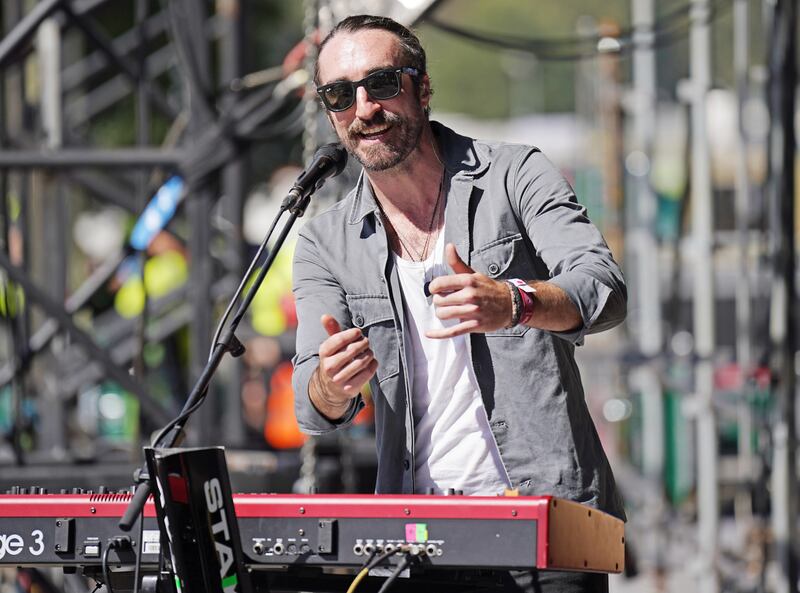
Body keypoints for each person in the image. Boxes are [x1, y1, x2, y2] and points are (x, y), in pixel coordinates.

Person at [292, 14, 627, 593]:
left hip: (544, 524)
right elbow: (310, 400)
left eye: (382, 84)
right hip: (412, 538)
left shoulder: (516, 173)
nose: (364, 108)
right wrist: (331, 383)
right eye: (340, 95)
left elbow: (603, 285)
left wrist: (516, 303)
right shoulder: (325, 241)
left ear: (422, 88)